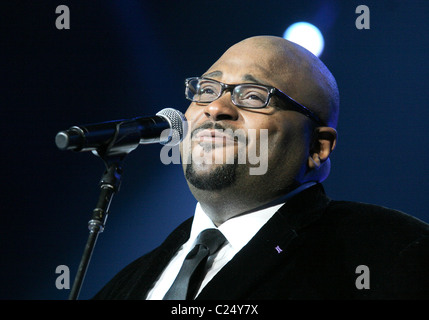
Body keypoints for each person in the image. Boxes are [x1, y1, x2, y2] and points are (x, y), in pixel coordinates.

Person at [93, 35, 429, 300]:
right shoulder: (124, 284)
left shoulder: (392, 253)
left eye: (253, 95)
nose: (216, 108)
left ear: (316, 146)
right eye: (206, 89)